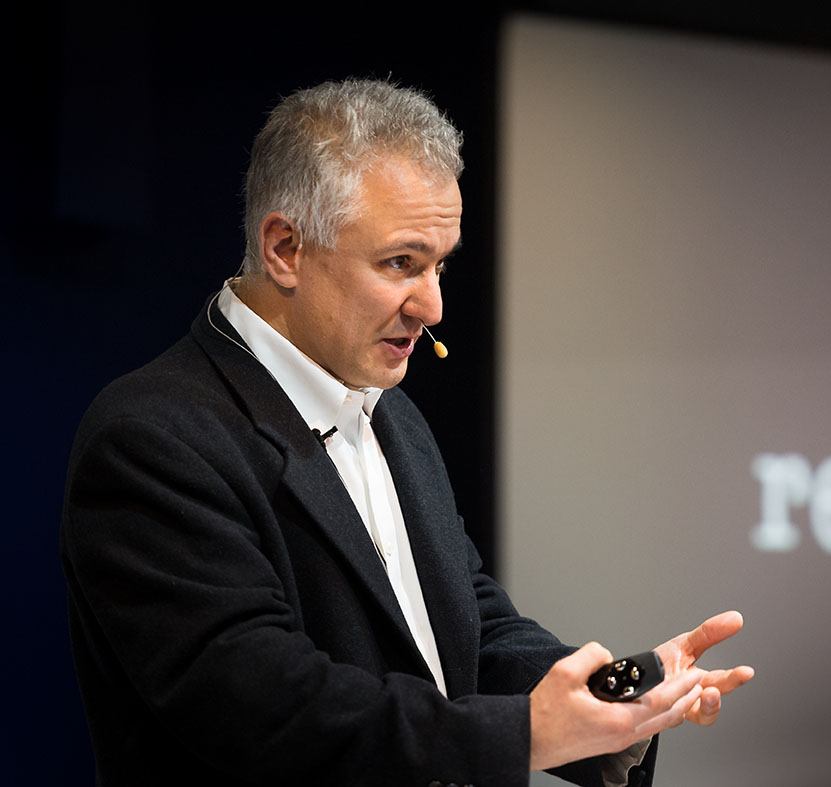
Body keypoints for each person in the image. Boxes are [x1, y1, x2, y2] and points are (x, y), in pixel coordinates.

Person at [60, 78, 753, 787]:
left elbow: (472, 630)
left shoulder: (392, 413)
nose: (433, 305)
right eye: (402, 263)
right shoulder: (153, 436)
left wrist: (616, 698)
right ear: (285, 248)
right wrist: (522, 734)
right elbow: (267, 708)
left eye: (440, 264)